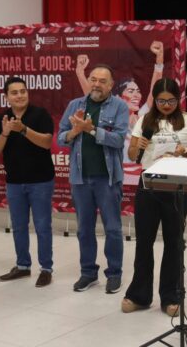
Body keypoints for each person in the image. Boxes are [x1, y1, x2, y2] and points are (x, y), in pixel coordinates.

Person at [121, 78, 187, 317]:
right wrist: (139, 146)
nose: (166, 105)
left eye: (171, 101)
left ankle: (171, 296)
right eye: (161, 101)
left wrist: (184, 151)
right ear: (155, 100)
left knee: (173, 242)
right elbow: (132, 154)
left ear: (178, 100)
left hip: (178, 185)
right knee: (144, 241)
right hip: (149, 184)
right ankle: (139, 295)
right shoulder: (144, 121)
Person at [58, 64, 129, 294]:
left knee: (113, 229)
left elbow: (119, 140)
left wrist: (91, 129)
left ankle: (114, 274)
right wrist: (74, 131)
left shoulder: (119, 106)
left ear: (111, 85)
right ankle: (88, 273)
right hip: (80, 179)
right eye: (93, 79)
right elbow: (60, 138)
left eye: (102, 81)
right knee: (84, 229)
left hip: (107, 179)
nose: (97, 84)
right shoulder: (75, 105)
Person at [0, 76, 55, 288]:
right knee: (18, 226)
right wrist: (5, 133)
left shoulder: (40, 114)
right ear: (6, 97)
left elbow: (46, 143)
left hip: (41, 181)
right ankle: (23, 266)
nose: (20, 95)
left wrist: (24, 130)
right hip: (14, 182)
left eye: (23, 91)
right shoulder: (2, 119)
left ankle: (46, 269)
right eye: (14, 92)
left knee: (42, 226)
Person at [75, 40, 165, 163]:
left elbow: (155, 92)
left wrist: (159, 61)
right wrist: (80, 72)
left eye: (138, 91)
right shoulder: (110, 115)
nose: (137, 95)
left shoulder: (140, 117)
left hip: (137, 169)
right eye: (131, 91)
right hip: (114, 169)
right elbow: (91, 96)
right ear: (118, 97)